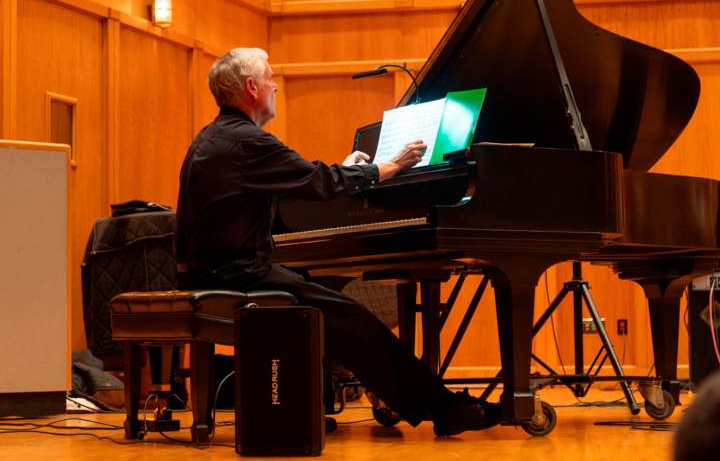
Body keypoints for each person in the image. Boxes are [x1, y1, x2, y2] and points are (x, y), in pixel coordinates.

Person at [174, 47, 500, 436]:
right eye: (270, 77)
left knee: (327, 298)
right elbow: (318, 182)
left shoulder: (216, 138)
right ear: (252, 87)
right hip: (236, 276)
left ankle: (315, 400)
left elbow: (303, 179)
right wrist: (388, 167)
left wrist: (345, 170)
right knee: (351, 318)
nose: (275, 85)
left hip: (213, 271)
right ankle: (442, 408)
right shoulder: (249, 143)